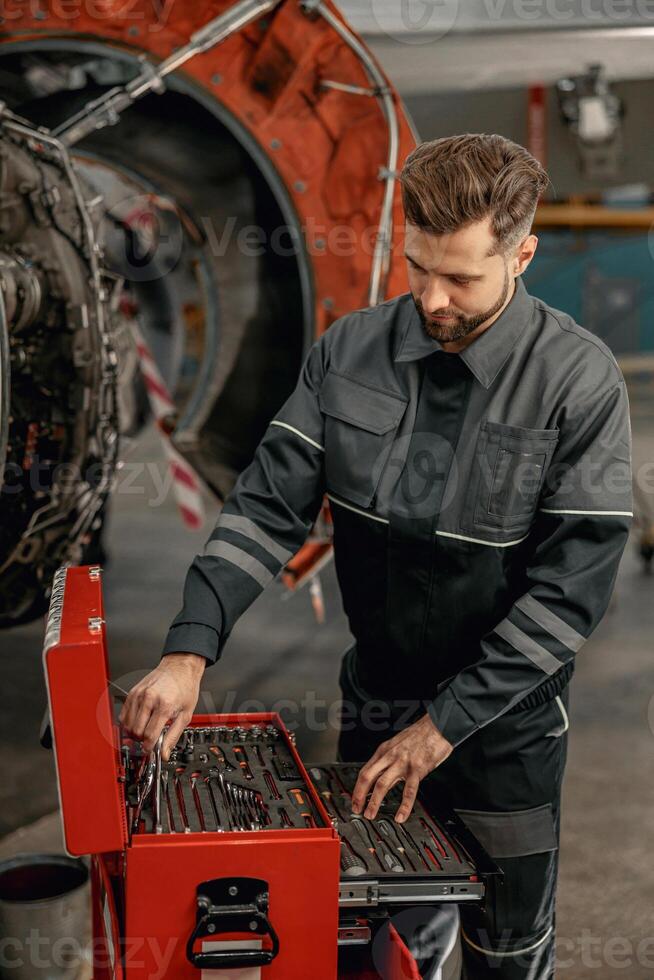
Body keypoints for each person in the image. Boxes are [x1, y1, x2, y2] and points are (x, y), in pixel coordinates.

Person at [120, 133, 632, 978]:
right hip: (375, 711)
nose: (430, 298)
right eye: (416, 266)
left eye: (460, 277)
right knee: (377, 936)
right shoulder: (348, 351)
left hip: (504, 737)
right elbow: (264, 508)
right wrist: (188, 648)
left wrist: (445, 729)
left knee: (505, 950)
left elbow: (567, 597)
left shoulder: (577, 384)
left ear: (523, 254)